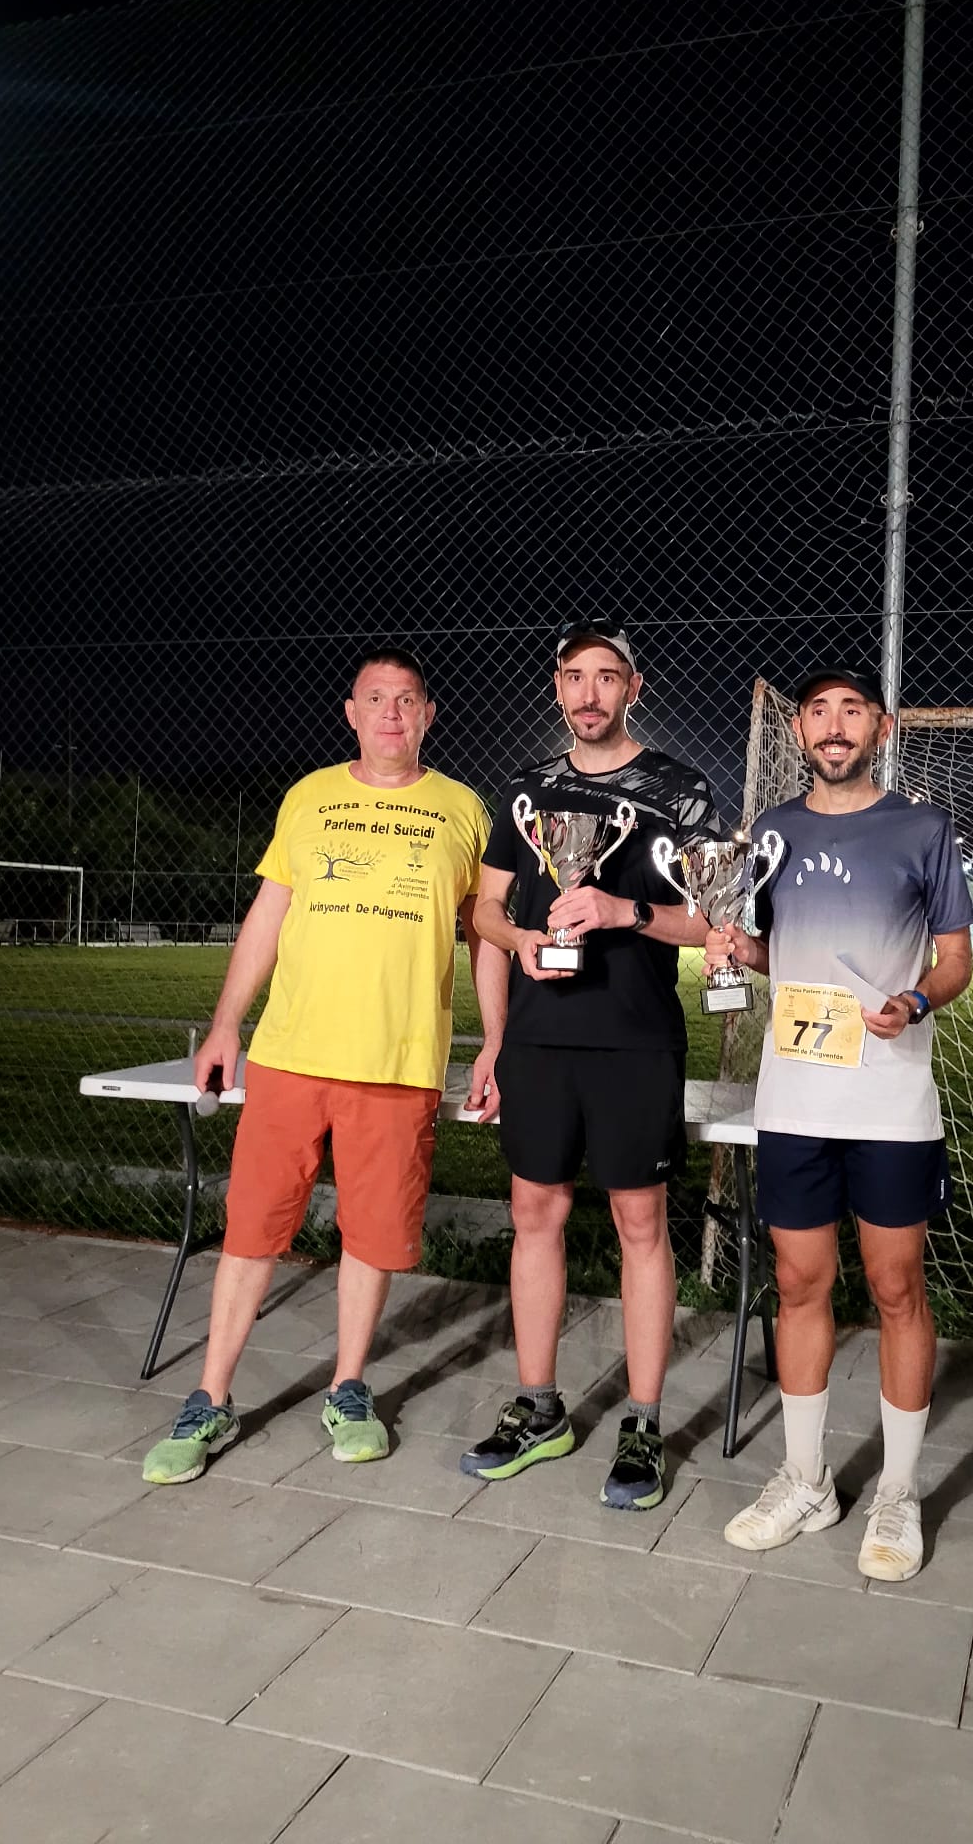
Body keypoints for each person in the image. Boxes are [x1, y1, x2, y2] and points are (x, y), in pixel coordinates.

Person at [141, 646, 505, 1483]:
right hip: (291, 1055)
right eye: (375, 698)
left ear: (429, 715)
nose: (390, 713)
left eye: (406, 700)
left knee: (370, 1239)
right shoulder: (308, 796)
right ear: (351, 713)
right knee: (251, 1231)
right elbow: (268, 915)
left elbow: (484, 935)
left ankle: (348, 1389)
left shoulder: (463, 810)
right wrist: (225, 1024)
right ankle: (209, 1398)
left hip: (398, 1063)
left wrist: (496, 1037)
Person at [707, 668, 973, 1578]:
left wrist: (915, 1000)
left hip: (890, 1101)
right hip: (795, 1099)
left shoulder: (923, 829)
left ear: (880, 727)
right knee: (797, 1281)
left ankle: (898, 1490)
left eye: (851, 711)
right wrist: (737, 946)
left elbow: (956, 959)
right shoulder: (770, 832)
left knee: (896, 1288)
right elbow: (768, 946)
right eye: (818, 712)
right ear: (799, 730)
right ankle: (806, 1479)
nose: (833, 726)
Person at [460, 621, 718, 1509]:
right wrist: (514, 968)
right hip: (538, 1037)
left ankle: (643, 1423)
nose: (589, 693)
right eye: (574, 677)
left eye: (607, 678)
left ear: (633, 688)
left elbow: (712, 923)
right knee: (534, 1211)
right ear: (557, 686)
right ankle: (539, 1409)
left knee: (640, 1223)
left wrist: (623, 913)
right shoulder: (525, 792)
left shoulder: (679, 791)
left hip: (634, 1038)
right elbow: (484, 912)